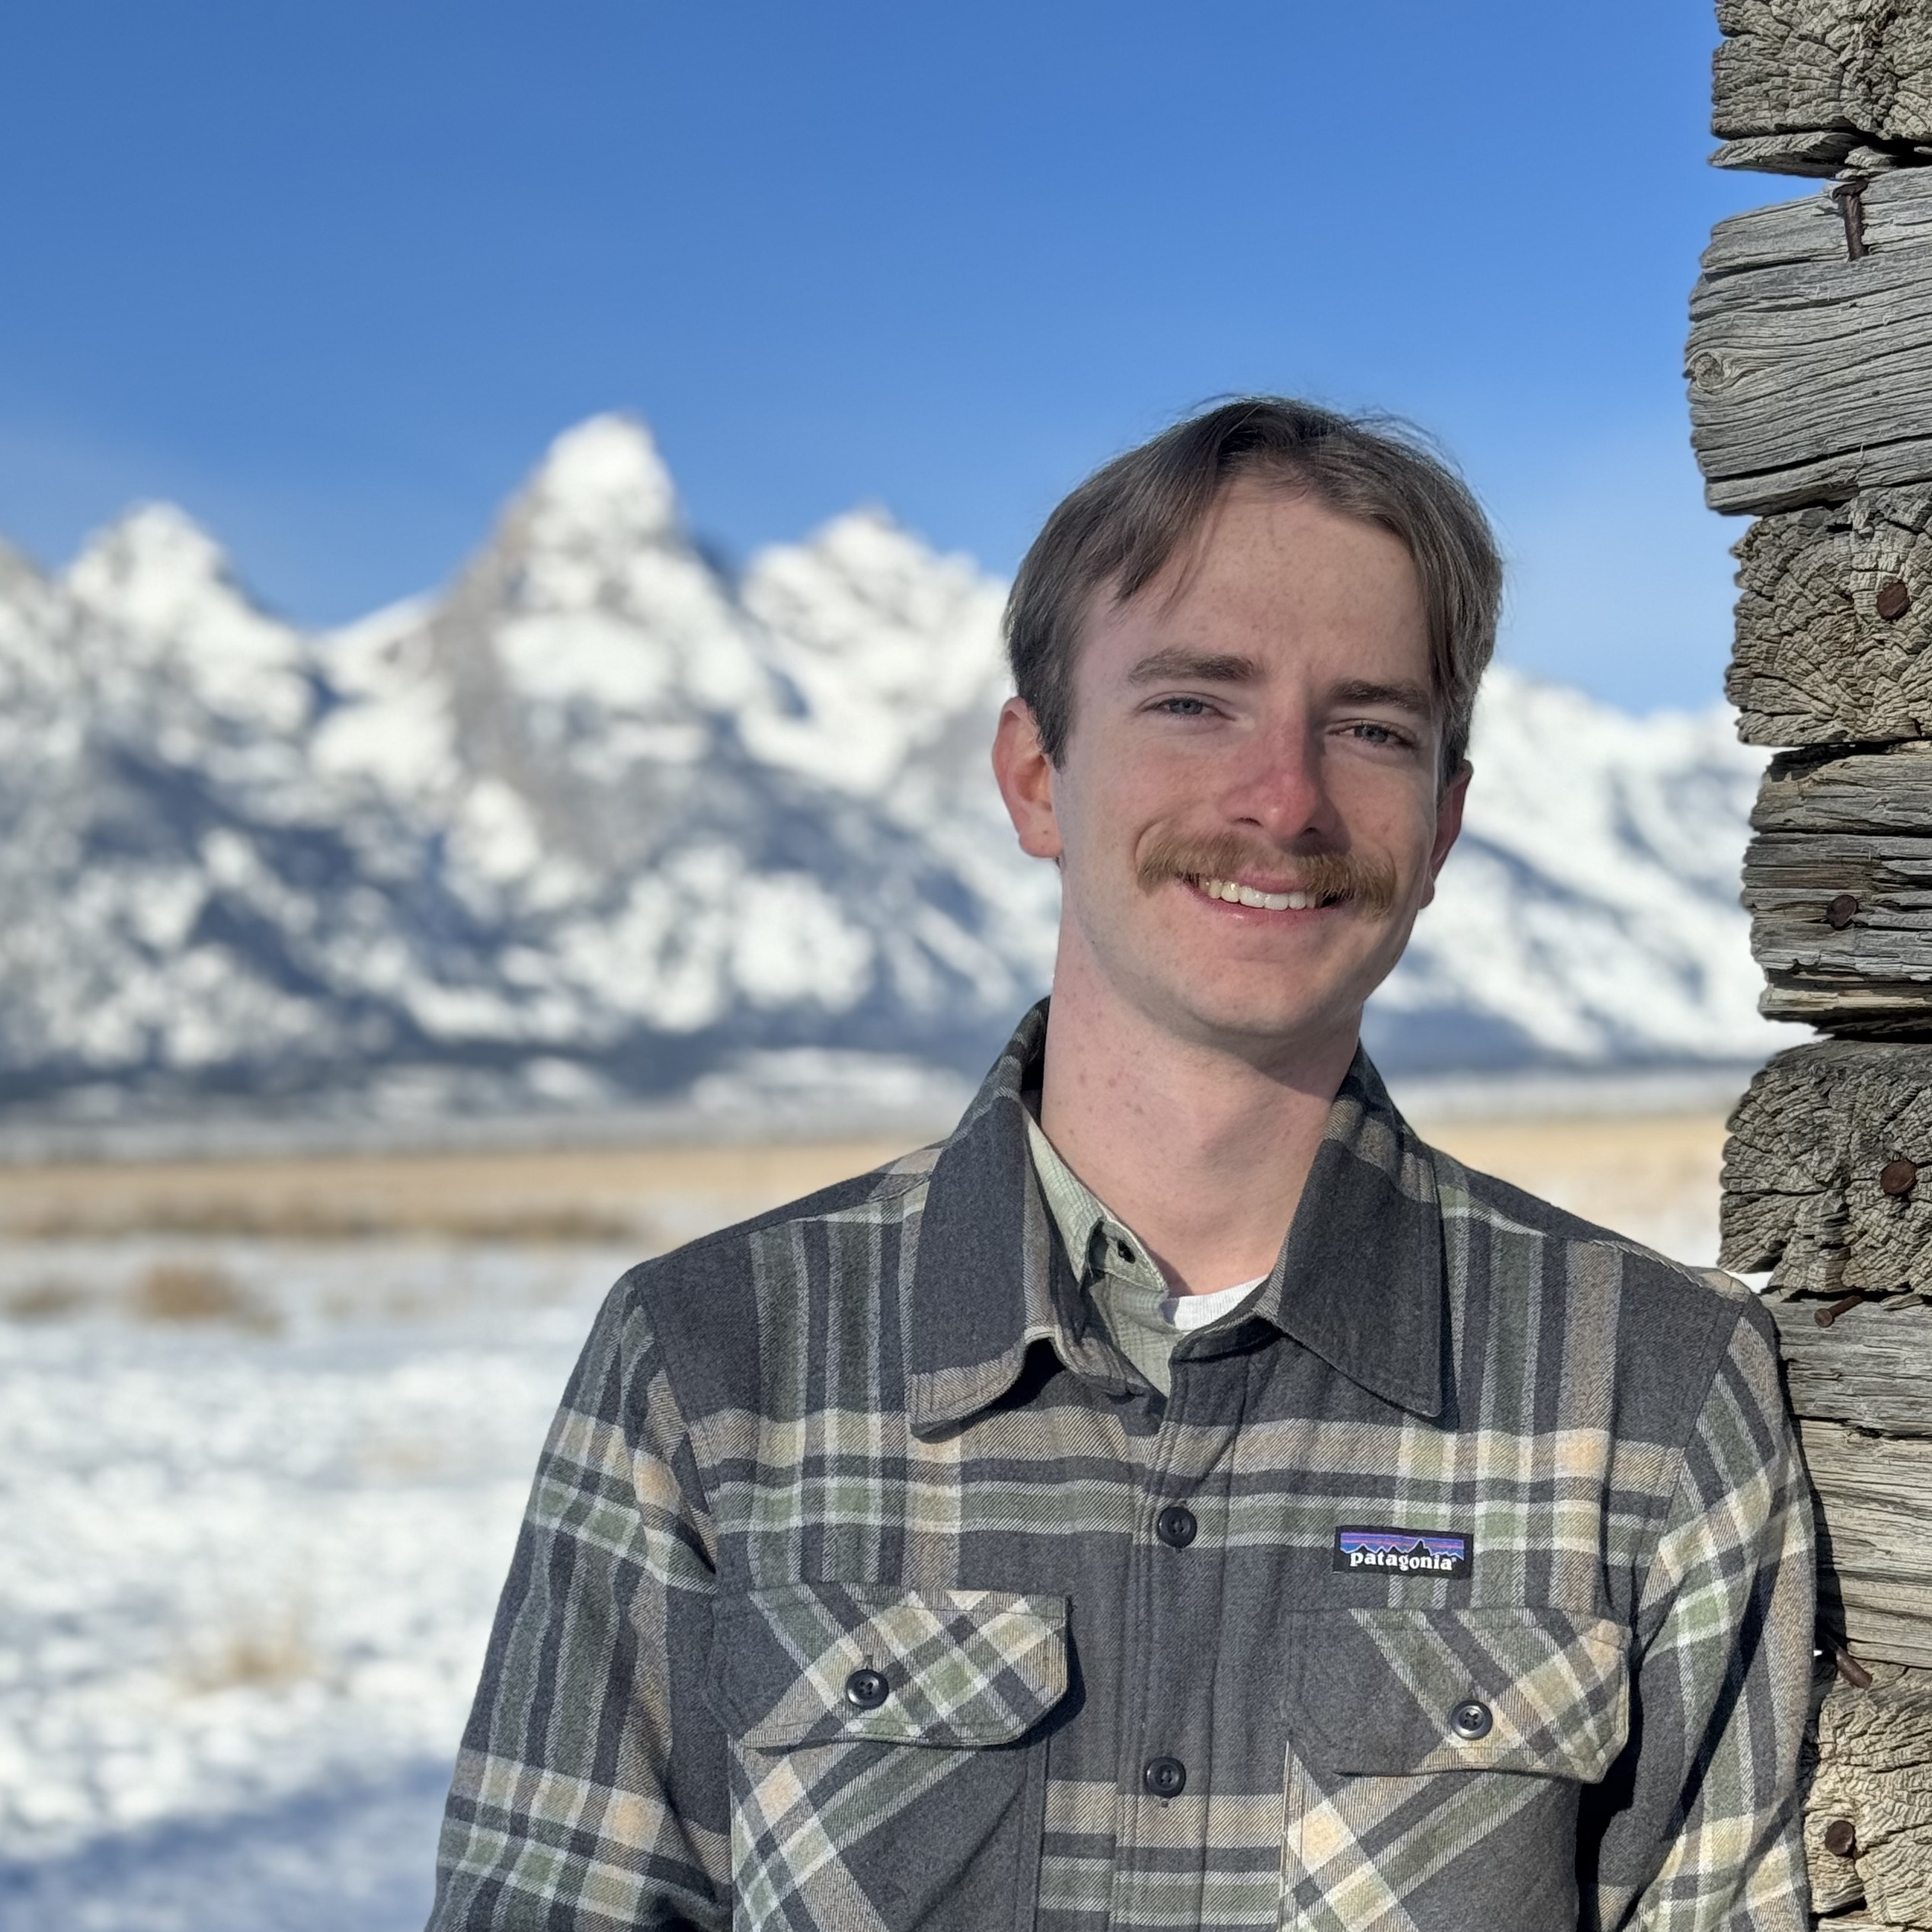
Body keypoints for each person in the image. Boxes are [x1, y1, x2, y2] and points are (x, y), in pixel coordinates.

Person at [427, 398, 1812, 1930]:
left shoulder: (1649, 1397)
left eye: (1367, 726)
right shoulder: (713, 1368)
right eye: (1193, 702)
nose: (1281, 798)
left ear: (1441, 822)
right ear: (1033, 775)